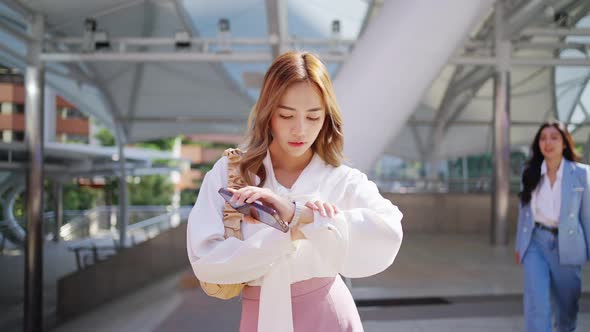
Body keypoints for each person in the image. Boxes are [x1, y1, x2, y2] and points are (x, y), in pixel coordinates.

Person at [186, 51, 403, 332]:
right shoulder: (231, 171)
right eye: (286, 115)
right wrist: (291, 232)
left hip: (329, 316)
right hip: (260, 315)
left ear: (326, 118)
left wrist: (299, 216)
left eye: (313, 117)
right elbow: (207, 262)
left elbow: (388, 232)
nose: (300, 129)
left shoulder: (341, 178)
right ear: (268, 113)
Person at [515, 121, 590, 332]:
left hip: (568, 245)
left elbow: (587, 216)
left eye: (554, 137)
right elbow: (524, 214)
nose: (547, 142)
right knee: (536, 303)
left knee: (567, 309)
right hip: (535, 243)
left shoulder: (582, 174)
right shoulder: (529, 172)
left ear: (565, 143)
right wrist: (520, 246)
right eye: (543, 138)